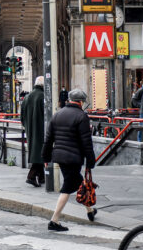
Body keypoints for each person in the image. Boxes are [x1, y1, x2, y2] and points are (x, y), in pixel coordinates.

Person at [42, 88, 97, 231]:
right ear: (81, 102)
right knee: (68, 187)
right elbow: (86, 142)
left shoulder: (57, 115)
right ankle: (54, 220)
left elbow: (48, 139)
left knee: (79, 182)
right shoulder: (81, 116)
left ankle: (90, 210)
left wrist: (46, 157)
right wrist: (90, 160)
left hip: (59, 156)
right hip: (73, 157)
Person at [21, 76, 46, 187]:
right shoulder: (43, 96)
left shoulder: (27, 97)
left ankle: (41, 178)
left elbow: (22, 116)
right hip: (41, 129)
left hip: (30, 129)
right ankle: (31, 176)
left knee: (36, 151)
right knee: (40, 153)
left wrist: (27, 125)